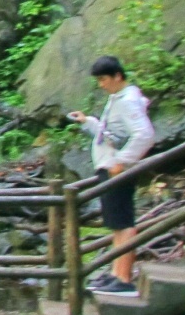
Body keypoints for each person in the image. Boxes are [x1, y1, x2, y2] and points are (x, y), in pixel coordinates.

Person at [67, 55, 156, 295]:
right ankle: (117, 273)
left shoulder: (128, 101)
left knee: (124, 223)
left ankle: (124, 278)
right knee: (117, 224)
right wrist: (88, 122)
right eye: (99, 80)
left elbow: (144, 135)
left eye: (104, 79)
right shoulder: (118, 98)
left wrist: (121, 161)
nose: (101, 85)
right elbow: (111, 133)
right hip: (109, 165)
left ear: (117, 76)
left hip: (117, 169)